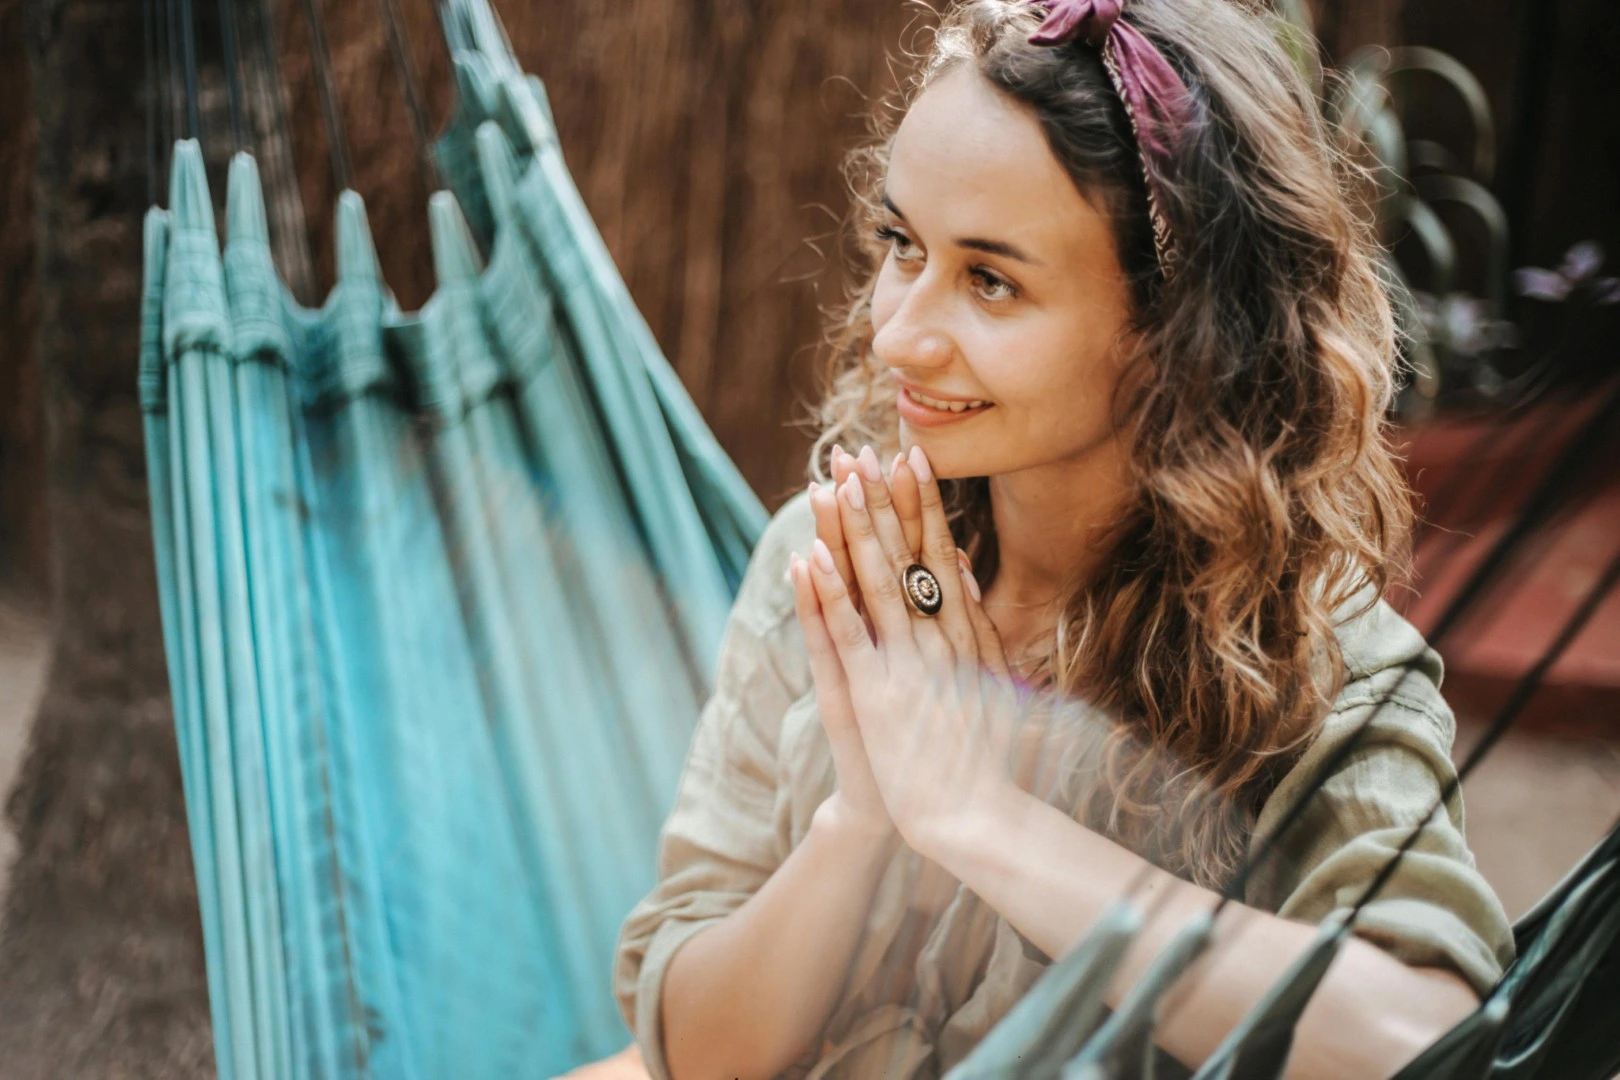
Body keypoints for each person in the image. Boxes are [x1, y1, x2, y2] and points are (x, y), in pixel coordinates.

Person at [594, 1, 1515, 1077]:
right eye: (901, 245)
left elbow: (1425, 1039)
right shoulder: (841, 561)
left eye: (991, 280)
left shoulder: (1313, 663)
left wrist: (982, 820)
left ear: (1181, 335)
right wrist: (863, 820)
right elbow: (693, 1052)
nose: (896, 330)